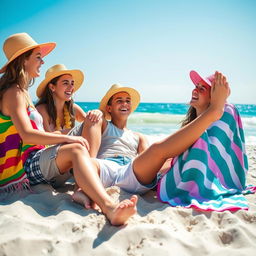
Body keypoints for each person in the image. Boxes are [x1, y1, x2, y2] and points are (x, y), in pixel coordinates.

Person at [0, 32, 138, 226]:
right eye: (38, 57)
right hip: (27, 166)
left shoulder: (22, 92)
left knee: (79, 146)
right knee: (76, 148)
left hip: (39, 161)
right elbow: (27, 135)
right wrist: (68, 138)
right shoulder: (14, 92)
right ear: (24, 60)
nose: (42, 61)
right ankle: (109, 207)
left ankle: (87, 187)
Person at [72, 75, 230, 208]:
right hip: (104, 166)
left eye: (128, 101)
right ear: (109, 108)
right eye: (119, 100)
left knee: (157, 152)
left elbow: (149, 162)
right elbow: (92, 128)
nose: (125, 103)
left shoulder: (138, 136)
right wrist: (97, 112)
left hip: (130, 171)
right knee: (85, 159)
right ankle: (82, 187)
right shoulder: (104, 123)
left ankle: (211, 114)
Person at [157, 70, 252, 211]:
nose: (195, 90)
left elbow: (216, 156)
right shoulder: (195, 123)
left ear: (214, 97)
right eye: (196, 86)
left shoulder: (227, 112)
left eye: (202, 88)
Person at [35, 64, 102, 157]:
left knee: (94, 120)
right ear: (52, 87)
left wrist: (97, 113)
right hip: (49, 156)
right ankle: (90, 163)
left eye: (72, 83)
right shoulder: (42, 110)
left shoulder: (73, 108)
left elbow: (91, 125)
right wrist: (74, 133)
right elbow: (47, 139)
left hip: (70, 152)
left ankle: (92, 161)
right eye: (66, 83)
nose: (71, 87)